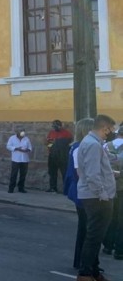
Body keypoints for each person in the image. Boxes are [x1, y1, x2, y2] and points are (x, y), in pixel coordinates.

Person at [76, 114, 117, 281]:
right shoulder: (93, 145)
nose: (111, 133)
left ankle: (92, 272)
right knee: (94, 237)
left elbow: (96, 168)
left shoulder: (92, 142)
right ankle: (86, 273)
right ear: (104, 128)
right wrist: (103, 194)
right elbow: (93, 175)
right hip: (96, 198)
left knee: (94, 236)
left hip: (93, 195)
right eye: (110, 130)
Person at [66, 118, 95, 270]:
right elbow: (80, 174)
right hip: (82, 192)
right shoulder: (79, 148)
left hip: (81, 191)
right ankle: (82, 262)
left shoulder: (79, 147)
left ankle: (86, 262)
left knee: (87, 228)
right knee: (85, 229)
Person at [103, 127, 123, 258]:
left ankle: (108, 245)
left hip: (108, 187)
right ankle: (120, 250)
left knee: (110, 217)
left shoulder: (105, 146)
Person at [46, 119, 73, 193]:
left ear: (60, 126)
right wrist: (49, 150)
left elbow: (69, 144)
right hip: (53, 155)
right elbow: (49, 143)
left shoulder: (67, 133)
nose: (55, 128)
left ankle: (66, 189)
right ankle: (53, 188)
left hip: (63, 156)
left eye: (56, 126)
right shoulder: (51, 133)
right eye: (54, 126)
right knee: (52, 172)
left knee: (64, 173)